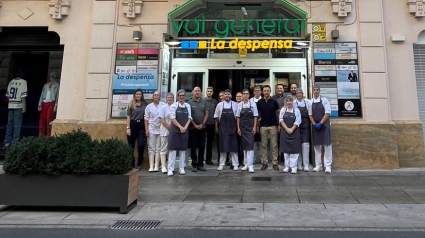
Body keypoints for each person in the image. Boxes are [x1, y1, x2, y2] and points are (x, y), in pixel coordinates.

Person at [309, 84, 333, 174]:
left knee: (327, 145)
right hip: (315, 126)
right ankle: (318, 165)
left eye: (317, 90)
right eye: (314, 90)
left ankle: (327, 166)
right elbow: (310, 114)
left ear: (319, 91)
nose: (316, 91)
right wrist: (314, 124)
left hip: (324, 125)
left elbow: (327, 113)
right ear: (313, 91)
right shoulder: (310, 102)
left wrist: (321, 123)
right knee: (317, 146)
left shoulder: (324, 100)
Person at [168, 89, 192, 176]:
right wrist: (180, 127)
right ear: (178, 97)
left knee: (183, 150)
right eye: (180, 96)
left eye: (183, 96)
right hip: (175, 131)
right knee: (173, 150)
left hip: (184, 131)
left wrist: (185, 127)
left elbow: (189, 118)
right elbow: (172, 118)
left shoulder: (188, 106)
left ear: (185, 97)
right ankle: (170, 169)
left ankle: (181, 168)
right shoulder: (173, 106)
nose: (181, 97)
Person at [214, 89, 239, 171]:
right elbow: (216, 116)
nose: (227, 95)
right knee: (223, 147)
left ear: (231, 96)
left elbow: (237, 117)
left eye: (228, 94)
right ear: (223, 96)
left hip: (232, 128)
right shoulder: (219, 105)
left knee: (233, 147)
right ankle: (222, 164)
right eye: (225, 94)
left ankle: (235, 164)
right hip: (223, 128)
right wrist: (219, 125)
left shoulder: (235, 105)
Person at [257, 85, 280, 171]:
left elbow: (278, 113)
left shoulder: (274, 101)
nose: (266, 92)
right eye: (265, 91)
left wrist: (279, 124)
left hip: (273, 125)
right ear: (262, 92)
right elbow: (257, 114)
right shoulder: (259, 102)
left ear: (270, 91)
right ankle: (264, 163)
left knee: (274, 145)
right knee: (264, 145)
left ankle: (275, 163)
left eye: (268, 90)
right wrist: (257, 123)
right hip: (263, 126)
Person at [3, 70, 27, 148]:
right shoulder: (23, 82)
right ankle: (15, 142)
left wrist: (9, 103)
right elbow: (23, 96)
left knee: (9, 124)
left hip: (11, 105)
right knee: (17, 124)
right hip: (18, 105)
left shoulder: (11, 82)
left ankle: (7, 141)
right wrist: (24, 106)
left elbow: (7, 95)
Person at [237, 89, 258, 173]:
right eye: (244, 94)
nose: (245, 95)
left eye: (247, 94)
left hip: (250, 128)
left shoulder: (253, 104)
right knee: (244, 147)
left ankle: (250, 165)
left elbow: (255, 116)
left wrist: (254, 127)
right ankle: (246, 164)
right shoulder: (239, 105)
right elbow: (238, 117)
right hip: (242, 128)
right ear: (242, 95)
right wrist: (238, 128)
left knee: (250, 146)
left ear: (249, 95)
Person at [188, 86, 209, 172]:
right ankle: (193, 164)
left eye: (199, 91)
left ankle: (200, 164)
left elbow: (206, 114)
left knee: (202, 146)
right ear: (193, 92)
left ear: (201, 92)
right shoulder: (189, 103)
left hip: (202, 128)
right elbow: (189, 116)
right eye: (196, 91)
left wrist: (202, 124)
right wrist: (195, 124)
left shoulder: (204, 102)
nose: (197, 92)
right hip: (192, 128)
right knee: (193, 146)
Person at [126, 89, 148, 169]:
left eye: (140, 94)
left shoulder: (145, 104)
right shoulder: (131, 104)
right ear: (134, 95)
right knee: (131, 145)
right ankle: (132, 162)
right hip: (133, 124)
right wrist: (128, 128)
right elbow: (128, 116)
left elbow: (147, 116)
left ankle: (140, 160)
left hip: (141, 125)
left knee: (141, 144)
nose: (138, 95)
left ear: (142, 95)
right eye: (137, 94)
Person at [279, 95, 302, 174]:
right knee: (286, 150)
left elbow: (298, 121)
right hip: (285, 132)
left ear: (293, 102)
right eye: (287, 101)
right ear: (286, 102)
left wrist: (291, 129)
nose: (289, 102)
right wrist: (286, 129)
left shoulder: (296, 110)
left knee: (294, 151)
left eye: (290, 101)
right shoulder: (283, 109)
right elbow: (281, 120)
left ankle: (294, 167)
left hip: (294, 132)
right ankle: (287, 166)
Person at [144, 90, 165, 172]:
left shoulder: (163, 105)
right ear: (153, 97)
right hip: (151, 128)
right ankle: (151, 166)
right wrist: (146, 129)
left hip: (160, 129)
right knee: (151, 147)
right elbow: (146, 119)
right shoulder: (148, 107)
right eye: (154, 95)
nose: (156, 96)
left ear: (159, 97)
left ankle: (156, 165)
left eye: (157, 95)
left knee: (158, 148)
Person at [293, 88, 311, 172]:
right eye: (298, 93)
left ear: (303, 94)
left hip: (306, 126)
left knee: (305, 145)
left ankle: (306, 165)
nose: (299, 94)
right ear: (296, 94)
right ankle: (299, 164)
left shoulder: (307, 102)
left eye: (300, 93)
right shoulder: (293, 103)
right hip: (297, 126)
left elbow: (310, 114)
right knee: (297, 145)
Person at [38, 72, 60, 137]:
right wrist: (39, 104)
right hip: (44, 102)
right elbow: (42, 95)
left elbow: (57, 96)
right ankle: (41, 135)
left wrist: (56, 105)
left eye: (53, 75)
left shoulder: (56, 85)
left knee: (49, 119)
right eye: (51, 75)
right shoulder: (46, 85)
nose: (51, 77)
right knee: (42, 120)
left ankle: (49, 135)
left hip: (51, 103)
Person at [158, 92, 174, 174]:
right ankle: (163, 166)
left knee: (172, 149)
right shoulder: (163, 107)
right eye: (168, 97)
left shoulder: (175, 106)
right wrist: (168, 127)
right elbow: (161, 119)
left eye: (171, 97)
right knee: (163, 148)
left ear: (173, 98)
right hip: (165, 130)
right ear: (166, 99)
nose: (170, 99)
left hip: (174, 131)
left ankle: (170, 166)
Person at [204, 86, 218, 166]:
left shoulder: (215, 102)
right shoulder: (203, 101)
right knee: (202, 142)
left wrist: (216, 126)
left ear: (212, 93)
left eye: (211, 91)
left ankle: (209, 159)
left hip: (211, 124)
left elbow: (216, 114)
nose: (209, 92)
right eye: (208, 91)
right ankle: (201, 158)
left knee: (210, 142)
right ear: (206, 92)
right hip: (204, 124)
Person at [250, 86, 262, 164]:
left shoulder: (263, 100)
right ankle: (253, 158)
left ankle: (261, 158)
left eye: (258, 91)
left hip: (262, 123)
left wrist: (259, 121)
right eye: (255, 91)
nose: (257, 92)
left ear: (261, 92)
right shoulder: (250, 101)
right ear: (253, 92)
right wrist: (255, 123)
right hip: (252, 123)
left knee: (261, 142)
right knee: (253, 141)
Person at [235, 91, 244, 167]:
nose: (239, 98)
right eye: (237, 96)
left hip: (243, 127)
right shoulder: (233, 105)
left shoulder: (244, 105)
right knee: (235, 144)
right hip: (233, 127)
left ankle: (242, 160)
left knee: (242, 144)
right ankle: (235, 161)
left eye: (240, 96)